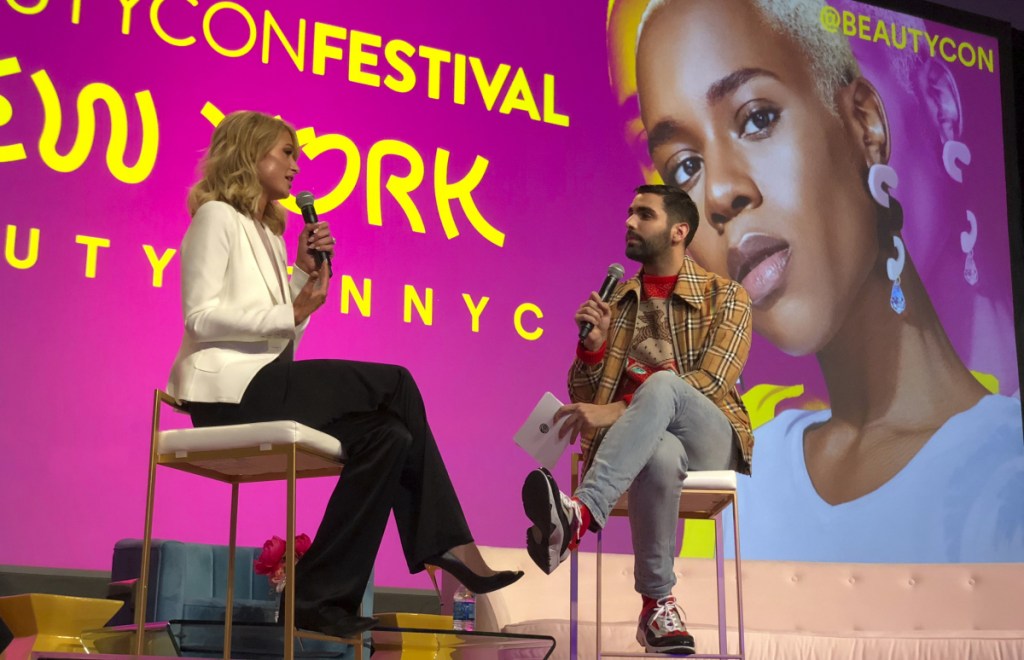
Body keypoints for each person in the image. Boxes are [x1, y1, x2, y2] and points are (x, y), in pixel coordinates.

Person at [630, 0, 1023, 562]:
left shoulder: (1007, 474)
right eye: (685, 167)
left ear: (865, 123)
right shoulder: (745, 482)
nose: (717, 194)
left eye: (756, 118)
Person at [166, 110, 522, 639]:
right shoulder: (216, 215)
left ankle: (315, 597)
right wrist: (290, 311)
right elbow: (199, 316)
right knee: (396, 382)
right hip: (227, 393)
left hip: (264, 380)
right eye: (286, 152)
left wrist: (302, 281)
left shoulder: (266, 232)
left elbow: (280, 337)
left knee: (389, 437)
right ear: (250, 152)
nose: (296, 165)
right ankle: (448, 543)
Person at [522, 184, 753, 655]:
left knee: (666, 386)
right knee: (661, 453)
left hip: (711, 439)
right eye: (628, 212)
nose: (628, 222)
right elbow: (583, 400)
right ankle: (658, 607)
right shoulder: (619, 302)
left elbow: (710, 382)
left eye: (643, 215)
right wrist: (593, 348)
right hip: (642, 448)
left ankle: (580, 514)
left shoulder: (725, 296)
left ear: (678, 231)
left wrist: (619, 409)